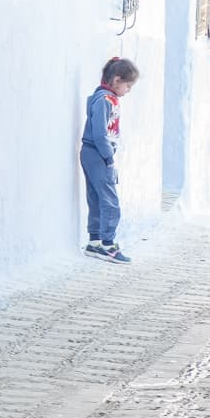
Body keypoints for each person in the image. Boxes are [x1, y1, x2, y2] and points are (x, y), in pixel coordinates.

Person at [83, 57, 140, 264]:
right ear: (117, 80)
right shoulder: (105, 101)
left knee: (97, 198)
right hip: (98, 154)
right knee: (110, 201)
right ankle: (108, 244)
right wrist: (109, 158)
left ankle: (95, 242)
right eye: (128, 85)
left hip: (92, 153)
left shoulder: (102, 98)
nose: (128, 90)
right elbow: (100, 134)